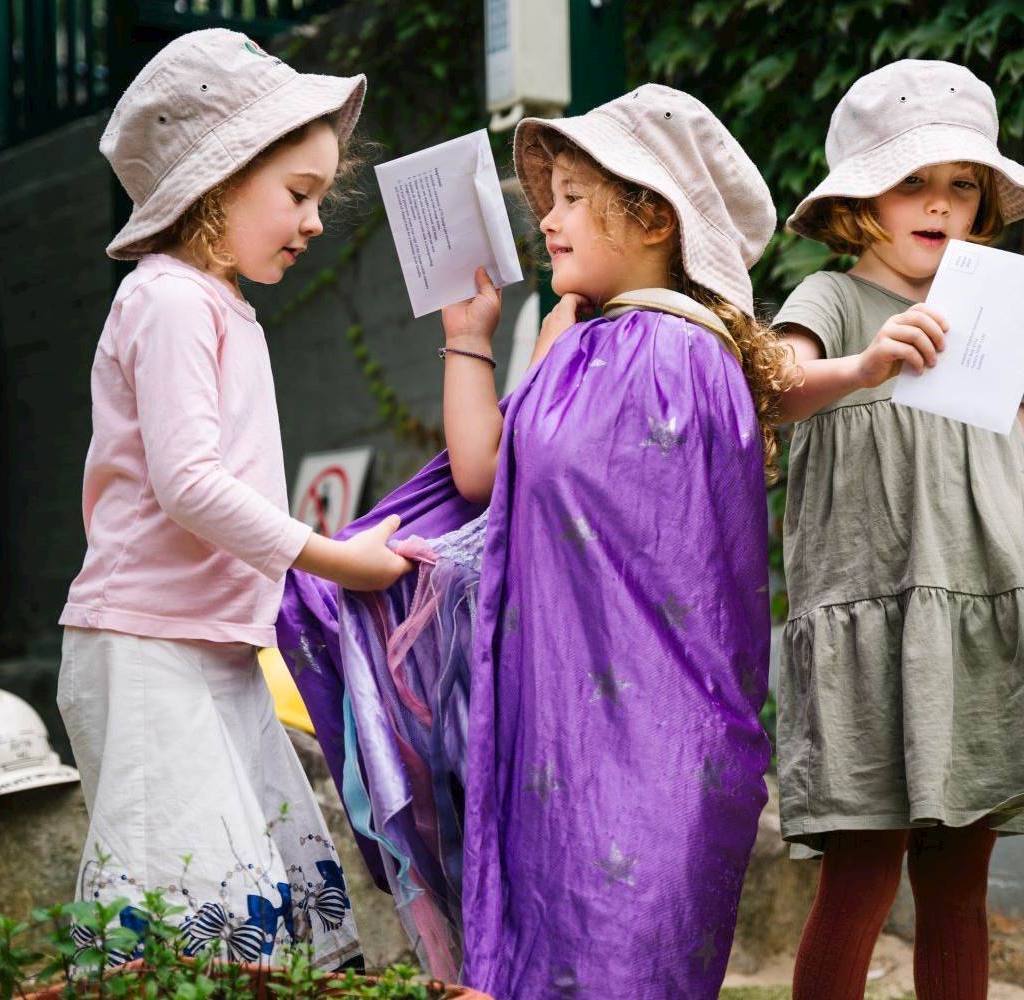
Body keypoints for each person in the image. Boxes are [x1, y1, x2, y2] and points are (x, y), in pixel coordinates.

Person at [278, 84, 791, 997]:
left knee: (622, 959)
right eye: (548, 199)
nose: (547, 219)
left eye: (572, 197)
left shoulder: (677, 354)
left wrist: (554, 362)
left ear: (654, 218)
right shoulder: (591, 340)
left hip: (655, 736)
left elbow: (566, 479)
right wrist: (470, 336)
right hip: (559, 728)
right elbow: (487, 474)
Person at [771, 59, 1024, 1000]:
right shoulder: (831, 301)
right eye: (913, 181)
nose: (941, 203)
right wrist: (864, 367)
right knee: (860, 879)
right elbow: (773, 390)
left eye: (963, 184)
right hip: (870, 627)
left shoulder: (991, 314)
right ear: (861, 199)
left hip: (976, 624)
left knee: (957, 888)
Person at [56, 29, 409, 969]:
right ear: (218, 184)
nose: (314, 221)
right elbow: (190, 485)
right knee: (190, 915)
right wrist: (334, 561)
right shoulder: (169, 302)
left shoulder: (219, 307)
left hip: (207, 647)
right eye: (298, 193)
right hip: (147, 648)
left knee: (251, 907)